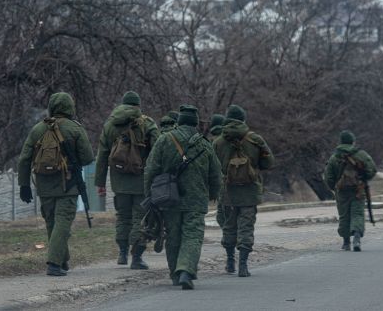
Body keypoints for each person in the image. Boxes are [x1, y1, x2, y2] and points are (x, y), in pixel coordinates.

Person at [144, 105, 221, 290]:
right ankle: (186, 270)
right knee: (192, 235)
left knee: (173, 235)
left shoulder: (164, 140)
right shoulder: (204, 144)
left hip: (169, 197)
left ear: (179, 121)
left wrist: (149, 194)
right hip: (196, 199)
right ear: (195, 123)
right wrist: (214, 194)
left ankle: (175, 274)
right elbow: (216, 175)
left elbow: (151, 169)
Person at [18, 92, 95, 276]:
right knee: (62, 224)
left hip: (44, 186)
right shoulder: (75, 129)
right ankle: (54, 263)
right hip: (68, 185)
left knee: (52, 224)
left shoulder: (38, 129)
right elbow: (88, 158)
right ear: (70, 107)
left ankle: (62, 260)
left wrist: (24, 185)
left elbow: (24, 159)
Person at [95, 91, 160, 269]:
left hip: (119, 181)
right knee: (140, 218)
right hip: (142, 180)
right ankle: (136, 257)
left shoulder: (110, 125)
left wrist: (100, 183)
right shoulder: (147, 123)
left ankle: (122, 253)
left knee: (122, 217)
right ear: (138, 105)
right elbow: (158, 150)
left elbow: (102, 156)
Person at [213, 105, 274, 277]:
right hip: (249, 192)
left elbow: (212, 168)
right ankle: (243, 265)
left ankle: (230, 261)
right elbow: (269, 163)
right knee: (246, 227)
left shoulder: (218, 142)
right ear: (243, 119)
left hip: (227, 193)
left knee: (229, 227)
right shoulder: (255, 139)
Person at [323, 130, 377, 252]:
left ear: (340, 141)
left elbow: (328, 177)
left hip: (341, 191)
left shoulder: (334, 157)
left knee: (344, 215)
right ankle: (357, 238)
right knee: (357, 214)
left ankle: (346, 243)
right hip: (359, 190)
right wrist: (364, 180)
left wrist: (335, 187)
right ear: (352, 141)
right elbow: (372, 170)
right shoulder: (361, 154)